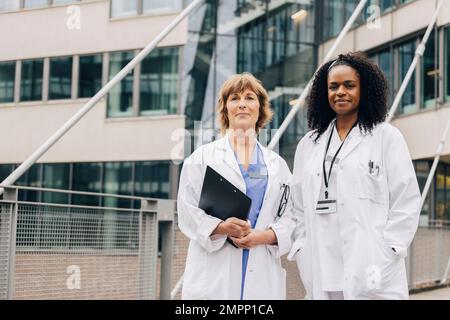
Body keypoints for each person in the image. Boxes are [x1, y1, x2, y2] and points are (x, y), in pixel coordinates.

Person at [288, 52, 421, 300]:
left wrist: (389, 249)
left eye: (349, 85)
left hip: (372, 266)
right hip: (321, 263)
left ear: (364, 90)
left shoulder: (386, 137)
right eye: (333, 86)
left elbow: (406, 200)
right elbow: (296, 206)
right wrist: (301, 246)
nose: (340, 92)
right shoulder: (309, 144)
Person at [177, 73, 294, 300]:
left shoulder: (277, 165)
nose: (242, 103)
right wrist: (221, 227)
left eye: (249, 98)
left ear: (260, 109)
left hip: (261, 270)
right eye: (234, 98)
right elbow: (186, 210)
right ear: (225, 108)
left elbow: (291, 217)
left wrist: (264, 237)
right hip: (214, 273)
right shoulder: (202, 157)